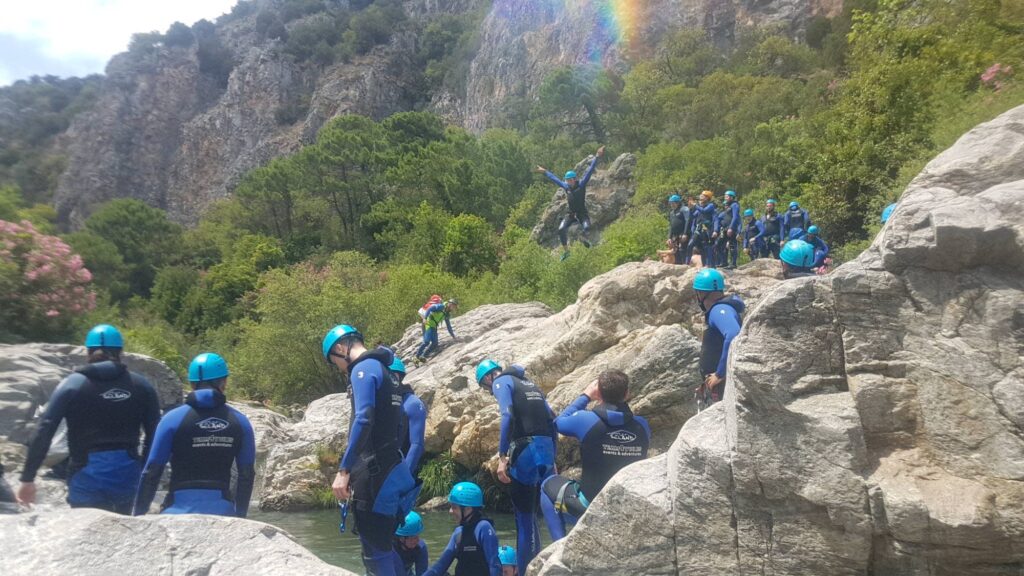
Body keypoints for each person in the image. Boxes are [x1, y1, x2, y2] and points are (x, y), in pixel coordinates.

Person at [17, 324, 160, 514]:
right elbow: (155, 436)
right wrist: (145, 474)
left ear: (88, 352)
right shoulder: (141, 386)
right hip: (127, 476)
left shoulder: (72, 385)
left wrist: (28, 478)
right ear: (120, 352)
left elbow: (45, 429)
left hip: (85, 476)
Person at [324, 324, 418, 576]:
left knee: (374, 551)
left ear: (341, 348)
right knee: (383, 544)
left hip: (373, 473)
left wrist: (344, 469)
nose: (339, 368)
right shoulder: (387, 372)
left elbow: (364, 419)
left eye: (335, 361)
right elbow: (399, 426)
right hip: (390, 468)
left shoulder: (362, 369)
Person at [132, 353, 256, 517]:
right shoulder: (240, 422)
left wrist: (139, 515)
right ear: (224, 382)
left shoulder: (171, 420)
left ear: (191, 383)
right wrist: (240, 517)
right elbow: (246, 474)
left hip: (176, 512)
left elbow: (152, 471)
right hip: (223, 513)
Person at [541, 370, 650, 541]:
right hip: (627, 505)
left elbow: (558, 422)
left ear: (598, 392)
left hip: (591, 504)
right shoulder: (642, 425)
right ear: (627, 394)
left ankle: (559, 546)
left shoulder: (586, 420)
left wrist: (585, 396)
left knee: (547, 485)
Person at [476, 360, 556, 575]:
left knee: (524, 517)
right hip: (546, 449)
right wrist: (553, 457)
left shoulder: (501, 382)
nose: (489, 391)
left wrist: (502, 456)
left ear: (488, 377)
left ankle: (525, 571)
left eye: (484, 386)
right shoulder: (530, 384)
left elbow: (507, 415)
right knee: (542, 511)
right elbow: (551, 418)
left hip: (525, 451)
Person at [536, 146, 606, 261]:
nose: (568, 182)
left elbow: (589, 171)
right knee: (561, 229)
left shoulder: (581, 185)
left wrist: (597, 157)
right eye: (567, 180)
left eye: (570, 180)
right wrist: (545, 172)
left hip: (582, 213)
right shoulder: (566, 187)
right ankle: (566, 252)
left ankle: (584, 240)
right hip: (571, 214)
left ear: (574, 179)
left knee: (587, 227)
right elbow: (555, 179)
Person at [423, 482, 501, 576]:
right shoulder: (458, 533)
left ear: (468, 509)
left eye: (454, 507)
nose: (450, 511)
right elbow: (440, 565)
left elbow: (494, 565)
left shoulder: (484, 528)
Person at [693, 270, 744, 405]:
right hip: (718, 383)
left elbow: (733, 333)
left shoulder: (718, 310)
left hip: (722, 384)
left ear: (701, 294)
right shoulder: (723, 308)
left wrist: (720, 374)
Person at [390, 356, 426, 476]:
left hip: (401, 470)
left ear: (398, 377)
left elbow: (417, 445)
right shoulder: (384, 401)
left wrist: (404, 476)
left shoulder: (412, 403)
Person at [392, 510, 429, 576]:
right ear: (401, 538)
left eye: (418, 535)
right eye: (413, 537)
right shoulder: (389, 550)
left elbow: (422, 573)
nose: (417, 540)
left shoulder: (420, 547)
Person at [688, 191, 718, 268]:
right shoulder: (699, 208)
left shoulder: (710, 206)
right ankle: (687, 263)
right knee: (691, 244)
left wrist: (715, 230)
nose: (700, 196)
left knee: (707, 247)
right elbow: (692, 216)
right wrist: (691, 209)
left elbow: (704, 211)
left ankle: (708, 264)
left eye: (703, 195)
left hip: (707, 229)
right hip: (699, 229)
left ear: (707, 198)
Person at [713, 190, 742, 269]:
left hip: (731, 229)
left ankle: (733, 263)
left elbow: (735, 217)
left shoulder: (735, 205)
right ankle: (724, 262)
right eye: (725, 196)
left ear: (732, 197)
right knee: (718, 244)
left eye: (727, 196)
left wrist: (731, 228)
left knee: (732, 246)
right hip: (724, 229)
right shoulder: (727, 207)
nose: (725, 197)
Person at [667, 194, 690, 265]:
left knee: (682, 249)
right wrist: (669, 237)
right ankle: (678, 264)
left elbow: (687, 220)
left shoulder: (683, 209)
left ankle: (685, 264)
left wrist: (685, 233)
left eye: (673, 203)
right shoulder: (672, 213)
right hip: (675, 235)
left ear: (678, 203)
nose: (672, 205)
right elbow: (671, 226)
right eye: (671, 203)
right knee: (675, 250)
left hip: (682, 233)